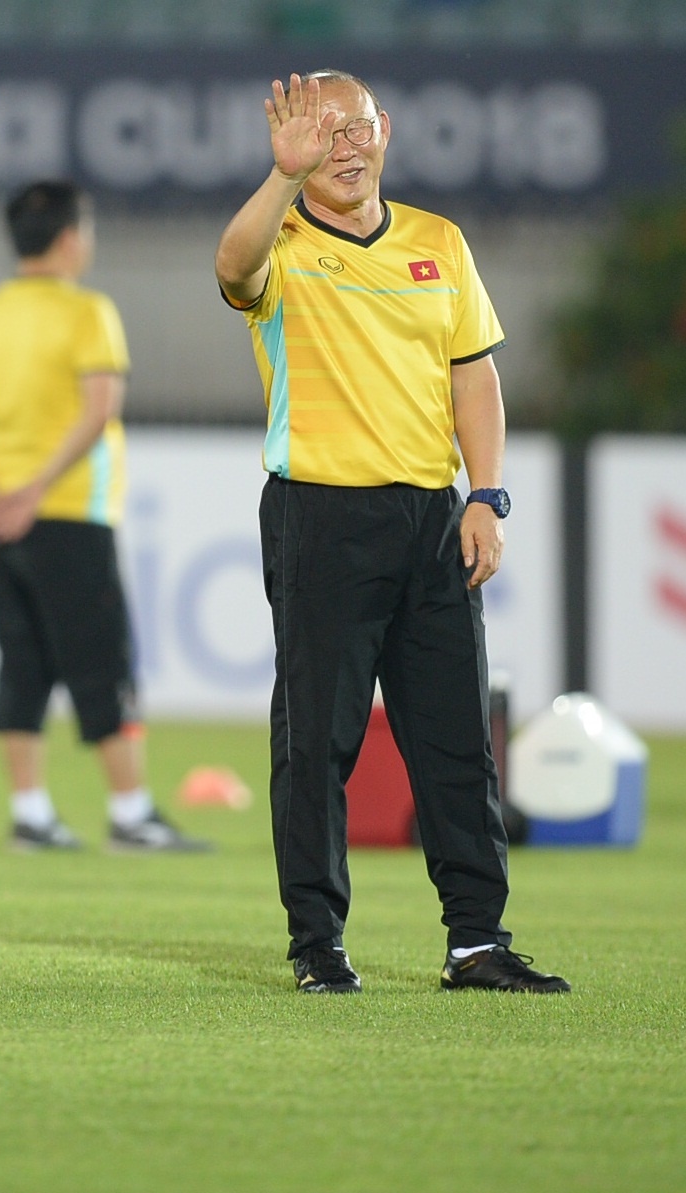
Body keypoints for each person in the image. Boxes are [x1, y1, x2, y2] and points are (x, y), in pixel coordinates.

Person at [214, 70, 569, 993]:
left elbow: (473, 376)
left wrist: (485, 496)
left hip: (429, 516)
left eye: (356, 126)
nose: (342, 144)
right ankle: (317, 945)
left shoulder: (436, 242)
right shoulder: (282, 239)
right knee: (316, 742)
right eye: (320, 131)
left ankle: (475, 943)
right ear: (294, 144)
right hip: (320, 515)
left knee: (454, 740)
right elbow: (229, 269)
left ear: (386, 131)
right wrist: (277, 179)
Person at [0, 180, 210, 854]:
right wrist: (32, 491)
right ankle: (130, 813)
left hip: (0, 524)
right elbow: (99, 409)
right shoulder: (88, 312)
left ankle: (29, 814)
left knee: (21, 664)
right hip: (70, 515)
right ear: (68, 238)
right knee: (101, 663)